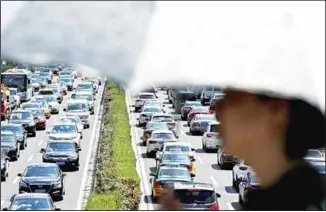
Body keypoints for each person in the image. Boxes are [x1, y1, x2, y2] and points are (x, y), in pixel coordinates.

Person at [160, 88, 325, 210]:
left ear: (276, 111)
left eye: (233, 99)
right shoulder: (268, 199)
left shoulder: (304, 203)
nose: (218, 109)